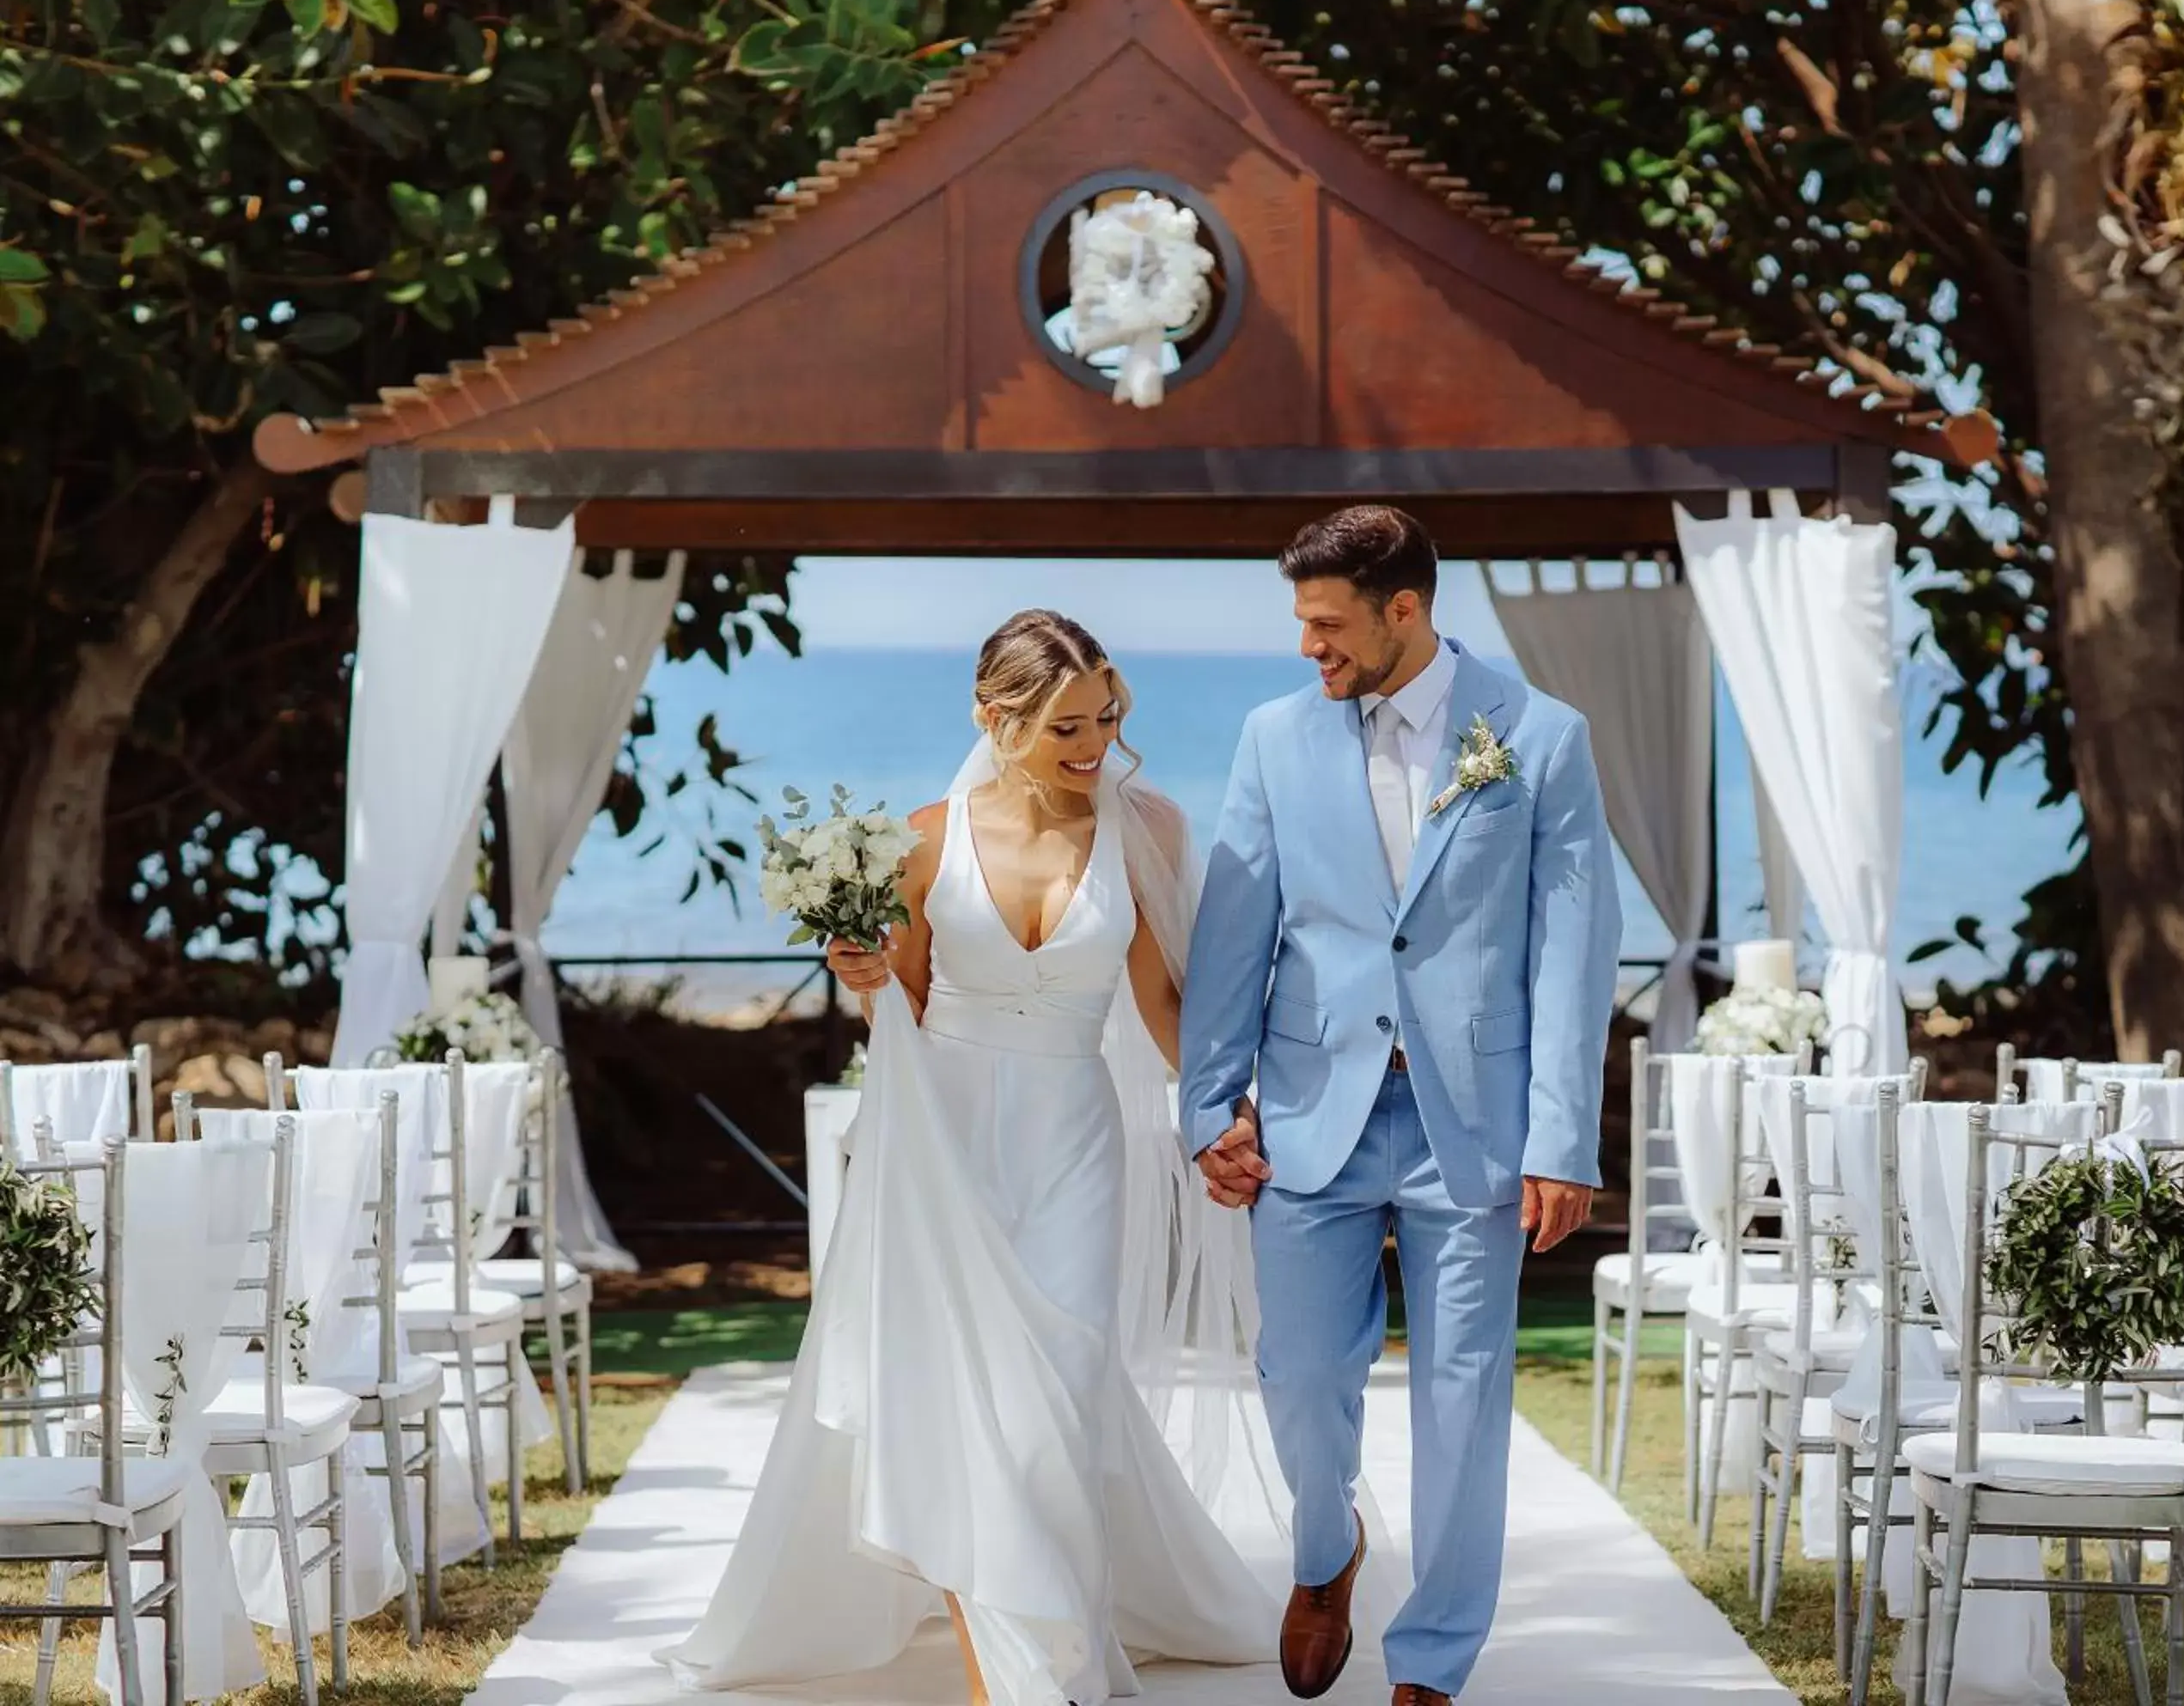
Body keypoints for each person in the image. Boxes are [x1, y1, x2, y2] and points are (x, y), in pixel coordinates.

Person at [658, 609, 1284, 1706]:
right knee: (955, 1403)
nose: (1094, 745)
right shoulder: (926, 840)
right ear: (995, 720)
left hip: (1073, 1139)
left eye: (1107, 718)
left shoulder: (1149, 832)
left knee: (1064, 1394)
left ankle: (1055, 1647)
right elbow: (901, 1001)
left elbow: (1165, 1003)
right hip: (942, 1143)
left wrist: (1232, 1112)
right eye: (1064, 728)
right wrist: (860, 970)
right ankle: (1020, 1673)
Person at [1181, 506, 1622, 1706]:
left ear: (1406, 611)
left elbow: (1573, 954)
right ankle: (1325, 1556)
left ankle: (1432, 1660)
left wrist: (1560, 1139)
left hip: (1470, 1124)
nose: (1309, 648)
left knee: (1464, 1398)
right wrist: (1209, 1109)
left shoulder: (1540, 738)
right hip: (1311, 1111)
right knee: (1298, 1376)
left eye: (1327, 625)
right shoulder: (1274, 738)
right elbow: (1237, 930)